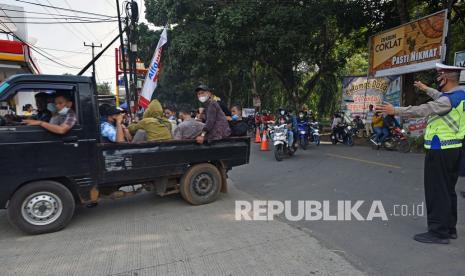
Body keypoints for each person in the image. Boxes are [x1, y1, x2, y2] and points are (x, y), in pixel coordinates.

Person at [377, 63, 465, 244]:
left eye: (439, 76)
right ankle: (449, 228)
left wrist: (396, 110)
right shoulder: (459, 95)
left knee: (436, 192)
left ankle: (438, 233)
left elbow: (423, 110)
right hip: (454, 149)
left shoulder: (447, 101)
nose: (437, 79)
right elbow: (440, 96)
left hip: (439, 149)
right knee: (448, 190)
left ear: (445, 78)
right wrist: (426, 89)